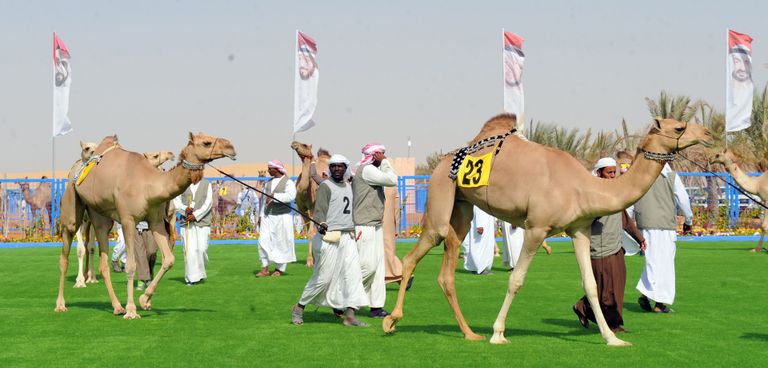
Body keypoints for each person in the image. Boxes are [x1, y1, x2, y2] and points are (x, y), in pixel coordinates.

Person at [292, 154, 369, 327]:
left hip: (348, 238)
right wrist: (321, 223)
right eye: (333, 166)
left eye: (339, 166)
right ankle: (299, 308)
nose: (336, 169)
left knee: (353, 276)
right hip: (329, 238)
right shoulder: (325, 187)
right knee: (323, 278)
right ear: (330, 168)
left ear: (345, 168)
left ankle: (350, 315)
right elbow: (319, 211)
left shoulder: (350, 187)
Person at [572, 157, 646, 333]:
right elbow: (585, 218)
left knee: (616, 289)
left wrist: (640, 239)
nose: (613, 176)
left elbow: (625, 220)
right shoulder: (590, 195)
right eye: (609, 173)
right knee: (605, 292)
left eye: (615, 172)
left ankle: (612, 322)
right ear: (599, 173)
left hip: (616, 247)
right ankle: (586, 308)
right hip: (599, 248)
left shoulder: (615, 194)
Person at [635, 163, 693, 313]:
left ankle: (645, 295)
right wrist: (688, 221)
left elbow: (630, 201)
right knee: (665, 264)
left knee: (652, 262)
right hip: (665, 227)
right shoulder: (671, 177)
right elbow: (684, 200)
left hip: (644, 227)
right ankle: (660, 304)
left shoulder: (639, 177)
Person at [352, 143, 398, 317]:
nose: (383, 156)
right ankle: (344, 298)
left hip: (375, 225)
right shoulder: (367, 170)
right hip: (364, 226)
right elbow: (392, 180)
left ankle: (376, 307)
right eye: (381, 154)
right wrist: (385, 162)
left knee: (378, 270)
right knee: (368, 266)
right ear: (375, 155)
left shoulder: (370, 171)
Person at [256, 160, 297, 277]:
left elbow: (291, 196)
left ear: (277, 169)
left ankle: (279, 269)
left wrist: (275, 197)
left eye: (270, 168)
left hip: (283, 217)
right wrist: (260, 215)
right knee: (262, 241)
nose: (268, 170)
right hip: (267, 216)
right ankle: (264, 268)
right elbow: (264, 200)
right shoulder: (267, 183)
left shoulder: (288, 182)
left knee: (281, 242)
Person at [172, 177, 213, 286]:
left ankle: (199, 273)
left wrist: (196, 215)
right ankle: (191, 278)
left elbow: (208, 203)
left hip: (202, 222)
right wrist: (184, 209)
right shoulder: (182, 183)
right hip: (187, 224)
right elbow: (176, 201)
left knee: (202, 249)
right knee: (190, 251)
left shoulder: (206, 184)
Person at [463, 206, 497, 275]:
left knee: (484, 246)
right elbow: (478, 210)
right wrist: (480, 225)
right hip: (481, 226)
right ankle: (480, 268)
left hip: (486, 225)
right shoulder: (480, 200)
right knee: (479, 246)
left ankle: (475, 268)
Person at [134, 221, 158, 291]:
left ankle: (149, 272)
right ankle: (142, 279)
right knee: (140, 254)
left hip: (151, 225)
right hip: (136, 227)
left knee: (152, 251)